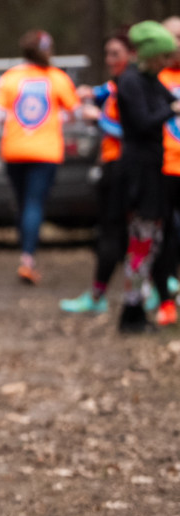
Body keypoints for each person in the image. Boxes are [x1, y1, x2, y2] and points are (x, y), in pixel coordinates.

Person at [0, 30, 82, 285]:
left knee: (22, 202)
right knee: (34, 203)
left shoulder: (11, 78)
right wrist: (56, 120)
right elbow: (76, 113)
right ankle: (28, 258)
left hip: (14, 151)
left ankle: (25, 252)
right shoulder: (57, 78)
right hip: (46, 152)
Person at [60, 31, 134, 316]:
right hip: (115, 166)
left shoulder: (131, 85)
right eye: (107, 54)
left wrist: (99, 119)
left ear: (133, 55)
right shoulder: (119, 84)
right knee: (124, 233)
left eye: (115, 54)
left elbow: (135, 130)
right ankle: (150, 290)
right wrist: (91, 93)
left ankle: (102, 294)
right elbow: (104, 91)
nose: (109, 60)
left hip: (122, 168)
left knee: (112, 232)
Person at [114, 20, 180, 333]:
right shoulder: (130, 81)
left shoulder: (150, 80)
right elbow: (143, 122)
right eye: (164, 56)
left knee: (150, 241)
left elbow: (167, 101)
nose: (167, 63)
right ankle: (131, 311)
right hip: (138, 173)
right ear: (152, 54)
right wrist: (173, 110)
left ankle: (136, 307)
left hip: (154, 169)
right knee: (141, 241)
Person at [151, 15, 180, 326]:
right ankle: (164, 298)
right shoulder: (155, 78)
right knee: (165, 236)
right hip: (163, 168)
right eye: (173, 37)